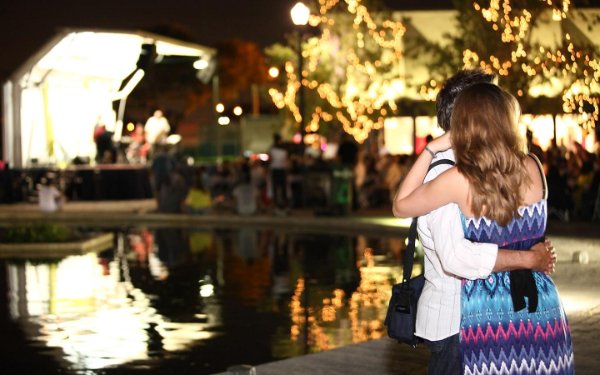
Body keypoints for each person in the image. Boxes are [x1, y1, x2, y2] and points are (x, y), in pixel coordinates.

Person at [393, 82, 573, 374]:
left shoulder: (459, 179)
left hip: (488, 309)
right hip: (540, 301)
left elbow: (401, 206)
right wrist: (530, 257)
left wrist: (430, 148)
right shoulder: (533, 165)